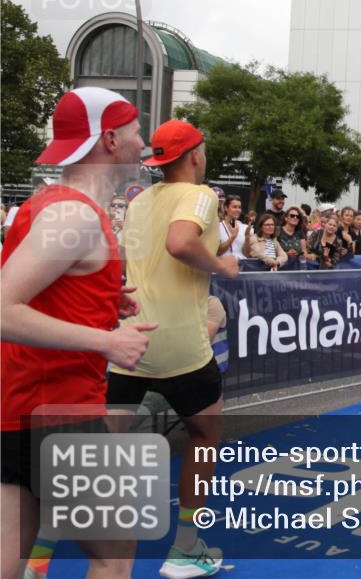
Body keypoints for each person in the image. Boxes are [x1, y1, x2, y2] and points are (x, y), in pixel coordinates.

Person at [1, 88, 154, 579]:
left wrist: (104, 300)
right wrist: (107, 341)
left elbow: (40, 294)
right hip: (61, 411)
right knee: (113, 557)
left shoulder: (54, 204)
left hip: (16, 409)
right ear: (110, 139)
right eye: (134, 130)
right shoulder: (76, 215)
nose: (142, 142)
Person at [109, 119, 240, 578]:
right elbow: (180, 242)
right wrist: (222, 266)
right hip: (180, 342)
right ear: (195, 156)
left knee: (102, 447)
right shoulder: (201, 195)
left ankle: (38, 556)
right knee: (204, 435)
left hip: (128, 338)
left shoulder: (140, 200)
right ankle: (185, 548)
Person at [218, 195, 252, 260]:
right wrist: (233, 236)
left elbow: (247, 254)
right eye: (234, 207)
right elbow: (218, 252)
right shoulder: (218, 227)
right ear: (226, 208)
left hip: (241, 266)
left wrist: (247, 236)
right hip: (224, 265)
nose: (238, 210)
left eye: (239, 207)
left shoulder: (245, 228)